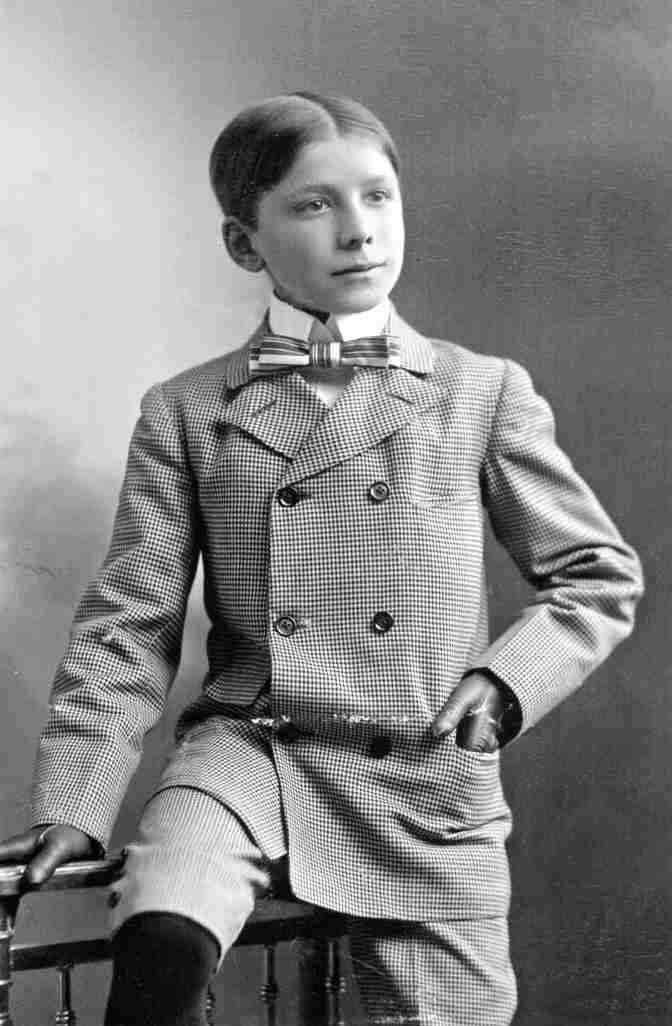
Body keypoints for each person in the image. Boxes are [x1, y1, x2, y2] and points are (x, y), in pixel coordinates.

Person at [0, 92, 643, 1026]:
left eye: (378, 196)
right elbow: (129, 625)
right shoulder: (187, 410)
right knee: (161, 939)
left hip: (422, 768)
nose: (358, 230)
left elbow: (595, 575)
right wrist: (76, 805)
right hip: (251, 752)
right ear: (243, 244)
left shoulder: (479, 393)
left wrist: (505, 684)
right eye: (313, 205)